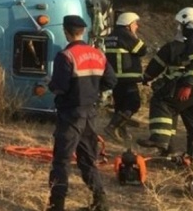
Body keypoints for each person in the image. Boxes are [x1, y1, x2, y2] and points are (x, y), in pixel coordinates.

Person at [47, 15, 116, 211]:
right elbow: (111, 81)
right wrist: (92, 90)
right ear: (83, 31)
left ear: (66, 32)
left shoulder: (66, 56)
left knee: (62, 160)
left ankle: (56, 205)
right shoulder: (99, 54)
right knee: (88, 159)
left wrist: (50, 84)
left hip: (70, 114)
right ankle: (100, 201)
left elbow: (60, 86)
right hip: (90, 114)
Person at [138, 7, 193, 156]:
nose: (179, 28)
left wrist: (188, 84)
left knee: (163, 103)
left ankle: (160, 140)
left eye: (181, 24)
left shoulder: (191, 41)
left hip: (188, 85)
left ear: (186, 24)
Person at [102, 12, 147, 141]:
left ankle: (121, 131)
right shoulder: (126, 35)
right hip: (127, 77)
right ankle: (112, 126)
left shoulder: (111, 36)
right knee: (133, 104)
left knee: (120, 106)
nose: (137, 26)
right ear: (128, 24)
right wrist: (134, 35)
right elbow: (142, 50)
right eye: (135, 23)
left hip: (115, 78)